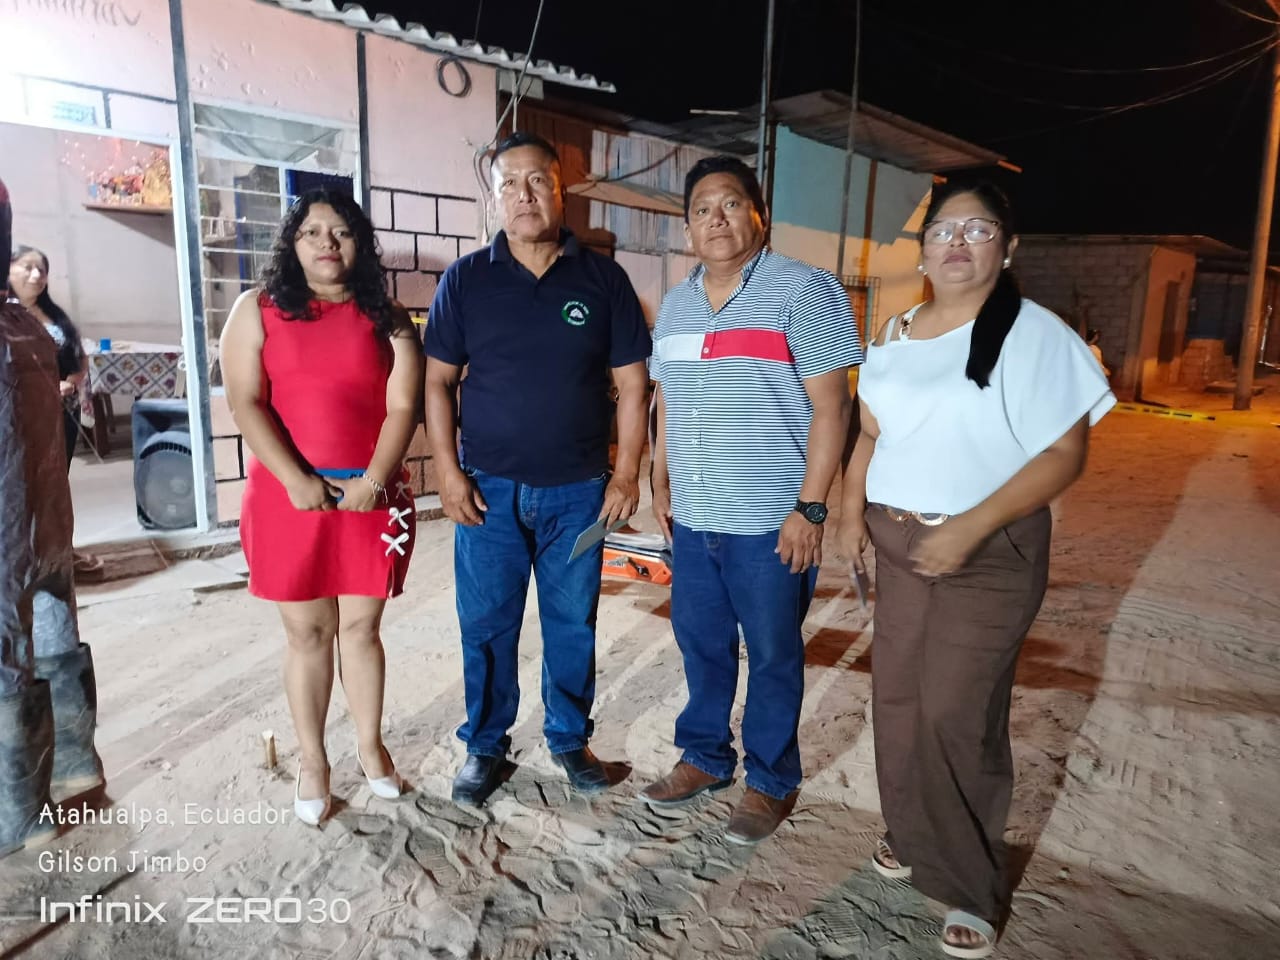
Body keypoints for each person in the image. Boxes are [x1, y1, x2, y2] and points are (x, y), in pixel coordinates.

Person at [836, 181, 1114, 958]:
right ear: (923, 250)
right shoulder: (894, 332)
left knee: (955, 714)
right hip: (900, 546)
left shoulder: (1036, 335)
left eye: (978, 229)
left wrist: (969, 526)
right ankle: (909, 832)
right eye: (943, 230)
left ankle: (969, 883)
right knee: (897, 702)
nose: (957, 242)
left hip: (989, 556)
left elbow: (1064, 454)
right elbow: (869, 434)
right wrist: (851, 515)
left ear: (1008, 247)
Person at [423, 131, 651, 807]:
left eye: (537, 182)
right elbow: (437, 382)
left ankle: (569, 738)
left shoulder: (603, 281)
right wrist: (447, 471)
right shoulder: (466, 280)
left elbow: (633, 386)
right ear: (495, 198)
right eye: (509, 184)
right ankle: (486, 745)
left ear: (560, 192)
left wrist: (626, 473)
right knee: (487, 624)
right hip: (486, 492)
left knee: (572, 621)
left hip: (579, 494)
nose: (523, 195)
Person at [641, 156, 863, 845]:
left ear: (759, 216)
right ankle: (705, 757)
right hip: (694, 516)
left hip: (772, 521)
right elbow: (667, 398)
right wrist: (659, 475)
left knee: (771, 655)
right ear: (687, 229)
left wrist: (812, 508)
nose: (717, 219)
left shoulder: (806, 289)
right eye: (702, 209)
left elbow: (834, 409)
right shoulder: (676, 305)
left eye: (731, 204)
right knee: (701, 645)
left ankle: (770, 780)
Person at [220, 188, 422, 826]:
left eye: (341, 231)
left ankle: (370, 745)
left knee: (361, 630)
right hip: (289, 499)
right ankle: (313, 760)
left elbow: (403, 405)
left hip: (370, 496)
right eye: (312, 232)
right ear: (293, 243)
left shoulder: (389, 318)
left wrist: (375, 479)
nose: (327, 243)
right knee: (308, 634)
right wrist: (295, 479)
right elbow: (246, 402)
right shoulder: (257, 310)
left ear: (360, 243)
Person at [1, 176, 106, 857]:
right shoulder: (25, 327)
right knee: (46, 627)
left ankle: (24, 808)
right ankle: (66, 769)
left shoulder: (24, 324)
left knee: (18, 646)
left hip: (21, 526)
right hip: (37, 524)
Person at [6, 245, 103, 580]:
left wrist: (72, 382)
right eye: (27, 267)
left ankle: (58, 551)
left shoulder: (53, 315)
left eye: (42, 270)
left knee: (56, 483)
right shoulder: (7, 318)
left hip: (62, 413)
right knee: (23, 487)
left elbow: (79, 355)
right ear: (8, 269)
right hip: (22, 419)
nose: (37, 275)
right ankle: (26, 558)